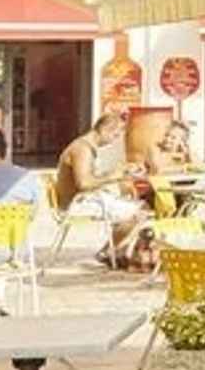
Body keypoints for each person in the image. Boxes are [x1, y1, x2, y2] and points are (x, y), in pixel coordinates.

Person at [55, 112, 149, 268]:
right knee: (141, 212)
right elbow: (84, 183)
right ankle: (108, 252)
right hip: (75, 204)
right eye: (115, 135)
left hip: (82, 199)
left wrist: (121, 171)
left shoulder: (85, 146)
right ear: (104, 130)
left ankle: (114, 252)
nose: (113, 140)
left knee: (132, 205)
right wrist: (113, 177)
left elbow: (89, 178)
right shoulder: (82, 149)